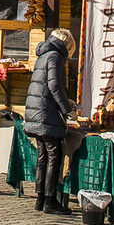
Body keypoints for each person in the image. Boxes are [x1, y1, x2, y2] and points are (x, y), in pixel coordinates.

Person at [22, 28, 77, 214]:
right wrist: (67, 109)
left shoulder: (44, 54)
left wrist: (65, 102)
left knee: (43, 156)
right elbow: (54, 86)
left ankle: (40, 199)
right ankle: (50, 200)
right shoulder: (56, 57)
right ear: (67, 45)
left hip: (36, 112)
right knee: (54, 156)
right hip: (46, 115)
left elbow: (46, 86)